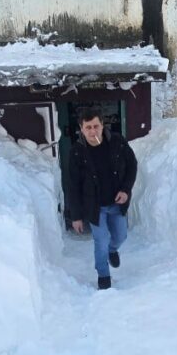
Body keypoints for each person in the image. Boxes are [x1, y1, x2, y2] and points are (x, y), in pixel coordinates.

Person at [67, 108, 138, 290]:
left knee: (121, 236)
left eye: (96, 126)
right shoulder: (77, 151)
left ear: (102, 125)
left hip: (117, 202)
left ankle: (112, 250)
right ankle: (103, 276)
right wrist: (76, 216)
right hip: (95, 206)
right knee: (101, 241)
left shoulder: (117, 142)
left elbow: (132, 165)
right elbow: (72, 185)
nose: (93, 131)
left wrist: (125, 190)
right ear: (81, 129)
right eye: (88, 127)